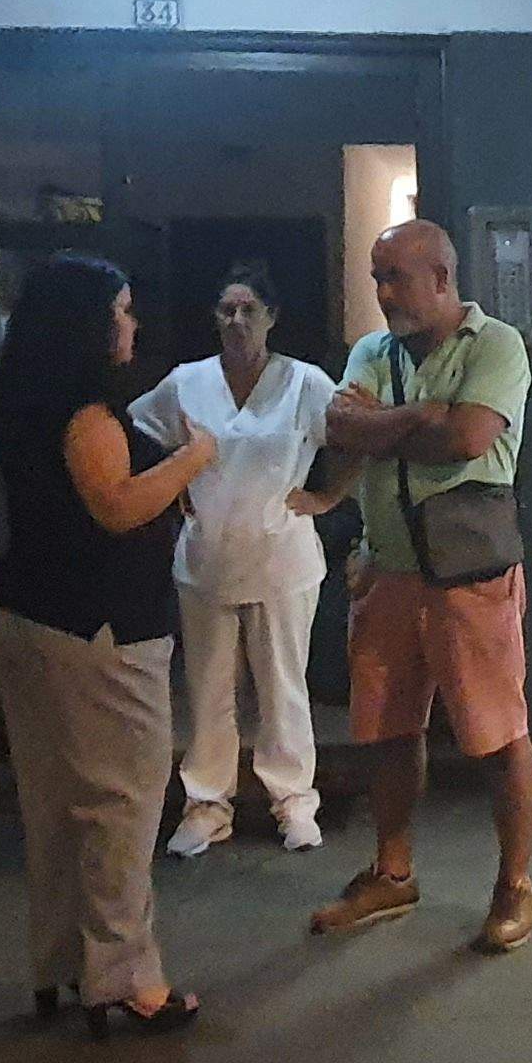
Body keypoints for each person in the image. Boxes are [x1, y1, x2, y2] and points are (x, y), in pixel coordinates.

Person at [0, 253, 215, 1039]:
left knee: (50, 802)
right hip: (99, 626)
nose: (132, 323)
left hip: (25, 612)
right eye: (121, 310)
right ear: (88, 323)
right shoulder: (86, 413)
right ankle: (123, 979)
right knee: (122, 801)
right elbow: (114, 506)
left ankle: (59, 968)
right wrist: (190, 460)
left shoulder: (24, 400)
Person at [305, 220, 532, 954]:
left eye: (394, 277)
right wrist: (417, 418)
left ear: (441, 278)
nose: (381, 294)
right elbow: (339, 425)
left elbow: (467, 438)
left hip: (469, 578)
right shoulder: (372, 352)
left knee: (496, 734)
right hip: (387, 572)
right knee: (385, 729)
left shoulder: (496, 345)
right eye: (376, 277)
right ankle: (392, 872)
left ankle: (515, 885)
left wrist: (390, 425)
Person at [128, 265, 340, 857]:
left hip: (282, 556)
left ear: (272, 317)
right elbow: (139, 434)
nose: (237, 321)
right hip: (206, 558)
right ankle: (206, 805)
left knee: (283, 687)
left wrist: (327, 496)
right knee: (208, 688)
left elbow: (354, 440)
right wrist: (171, 493)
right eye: (227, 311)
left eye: (249, 310)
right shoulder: (187, 383)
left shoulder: (304, 383)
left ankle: (294, 801)